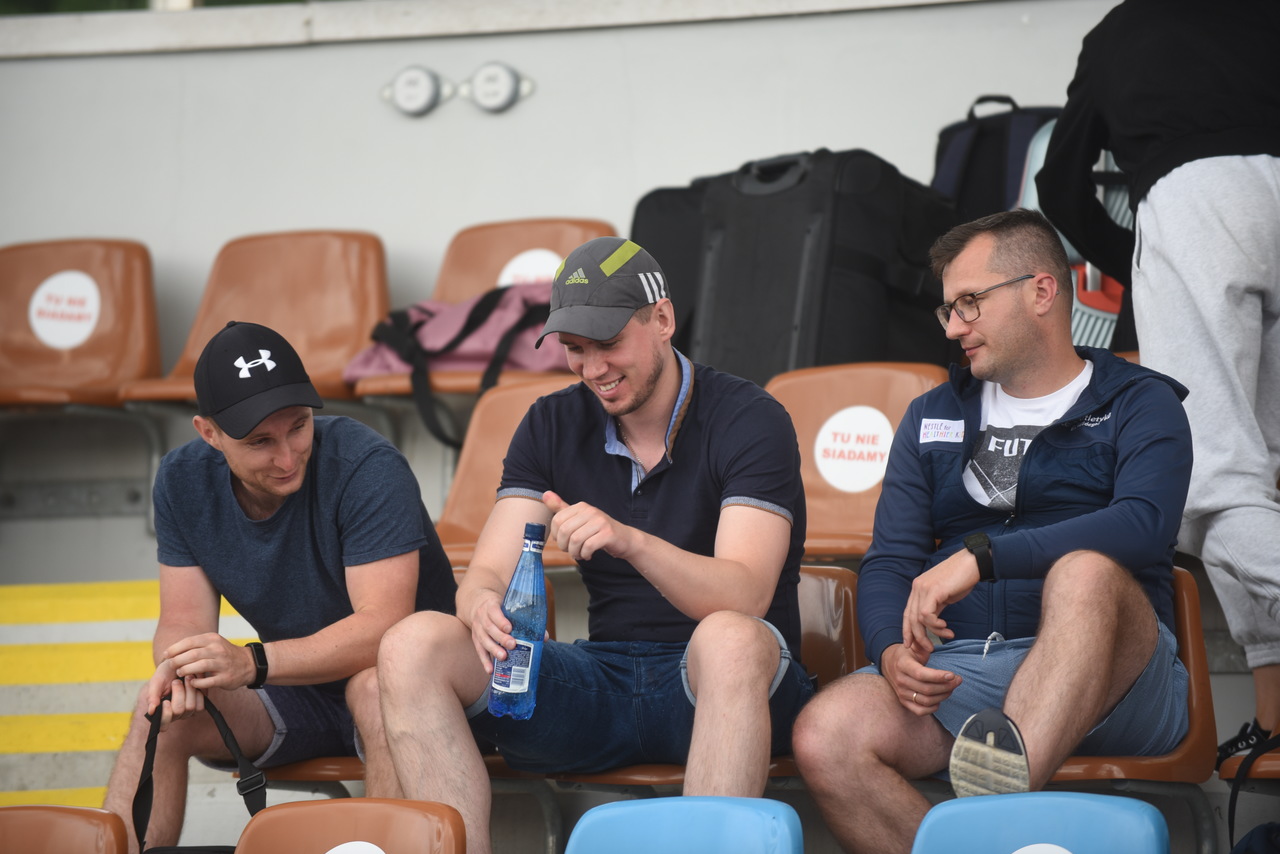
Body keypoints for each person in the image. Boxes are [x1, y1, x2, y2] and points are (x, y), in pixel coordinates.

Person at [370, 236, 814, 854]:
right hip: (603, 678)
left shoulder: (750, 416)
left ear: (663, 319)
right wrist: (482, 607)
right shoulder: (550, 420)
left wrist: (632, 542)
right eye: (575, 349)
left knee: (730, 639)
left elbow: (745, 595)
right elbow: (486, 574)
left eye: (608, 343)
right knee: (411, 644)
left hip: (723, 682)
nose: (593, 368)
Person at [792, 209, 1193, 854]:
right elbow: (891, 559)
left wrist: (983, 556)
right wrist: (889, 651)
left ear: (1041, 291)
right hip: (967, 670)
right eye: (948, 310)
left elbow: (1144, 526)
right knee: (825, 735)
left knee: (1085, 571)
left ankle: (996, 805)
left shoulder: (1141, 401)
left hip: (1119, 676)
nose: (954, 327)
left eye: (970, 303)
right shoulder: (931, 414)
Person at [101, 320, 456, 853]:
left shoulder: (366, 465)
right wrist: (181, 669)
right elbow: (182, 621)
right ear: (209, 433)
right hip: (297, 694)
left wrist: (252, 663)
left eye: (298, 426)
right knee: (161, 712)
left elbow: (384, 628)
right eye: (260, 441)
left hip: (406, 690)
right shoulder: (181, 479)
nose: (287, 457)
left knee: (372, 689)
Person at [1035, 0, 1280, 765]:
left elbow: (1059, 183)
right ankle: (1275, 716)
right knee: (1262, 478)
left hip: (1200, 204)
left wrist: (1139, 266)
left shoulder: (1123, 28)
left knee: (1210, 483)